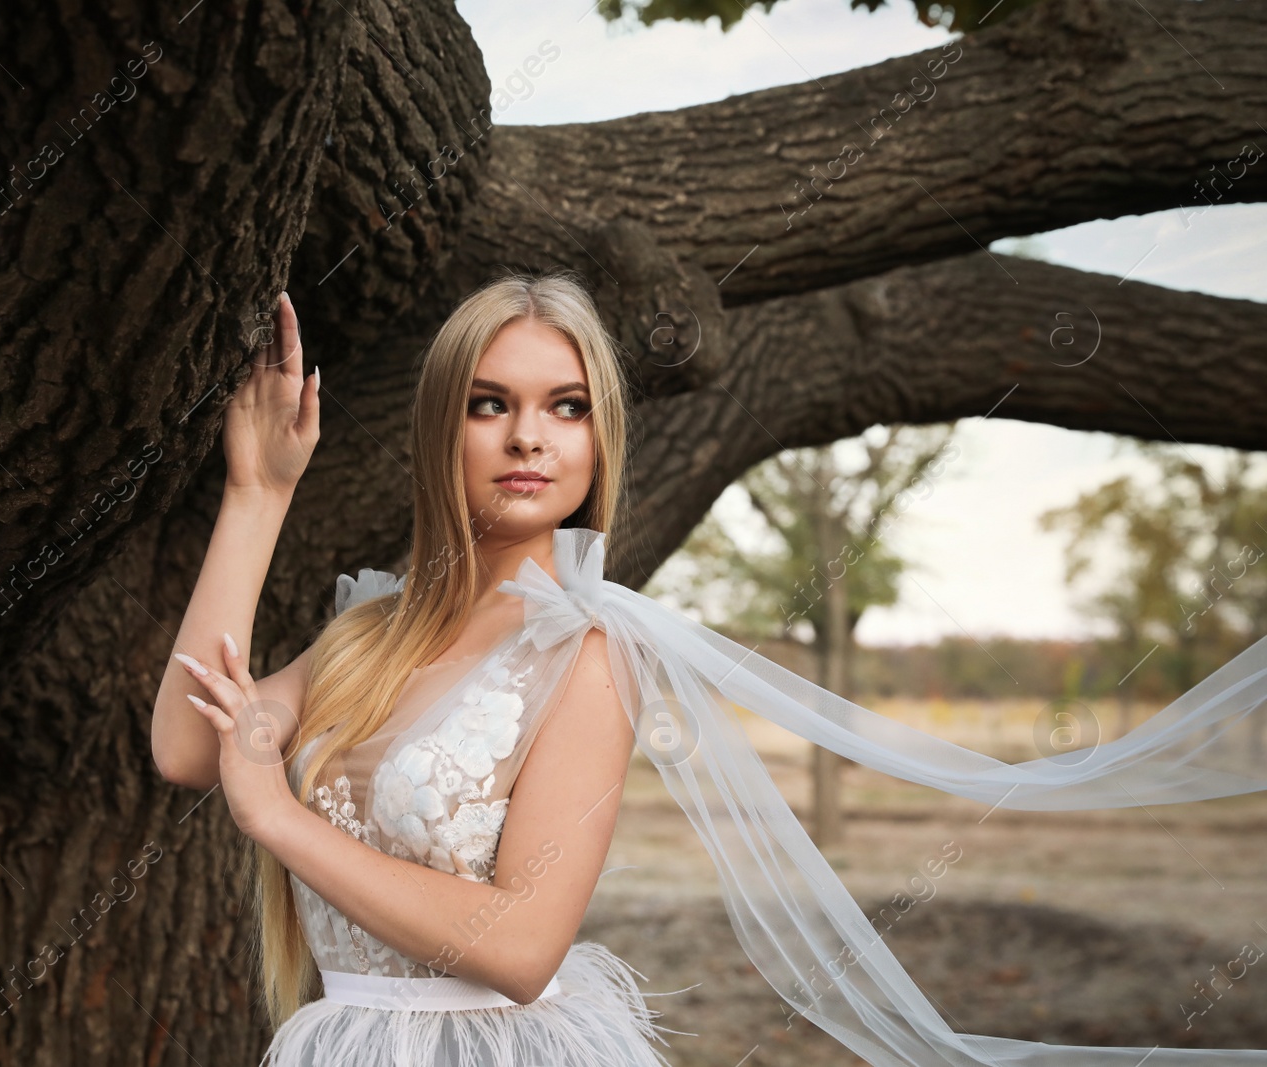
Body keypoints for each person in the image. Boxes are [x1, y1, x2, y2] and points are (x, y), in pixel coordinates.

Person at [151, 270, 1267, 1067]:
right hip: (338, 1041)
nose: (529, 437)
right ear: (444, 427)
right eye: (491, 403)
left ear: (597, 443)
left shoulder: (584, 651)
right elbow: (190, 743)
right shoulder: (366, 631)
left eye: (565, 406)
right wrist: (258, 493)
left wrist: (281, 819)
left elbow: (523, 946)